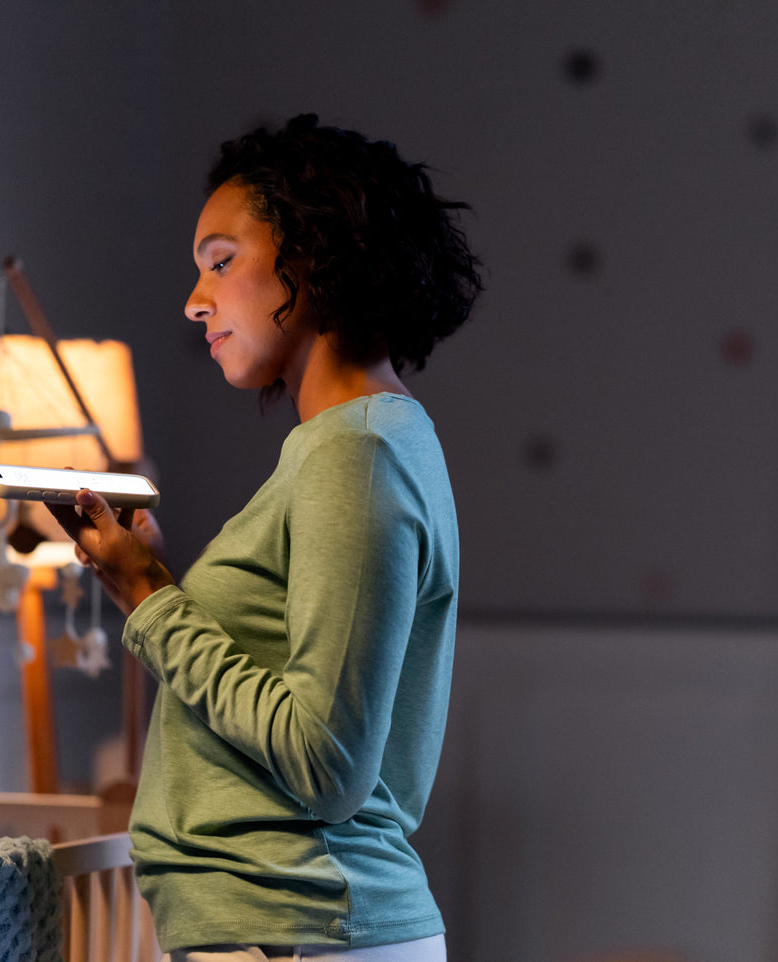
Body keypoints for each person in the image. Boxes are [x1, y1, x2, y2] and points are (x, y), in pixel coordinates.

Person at [48, 113, 482, 962]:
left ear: (315, 254)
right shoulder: (360, 446)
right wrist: (159, 583)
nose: (194, 298)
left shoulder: (353, 454)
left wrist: (149, 597)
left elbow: (325, 763)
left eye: (221, 260)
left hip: (301, 933)